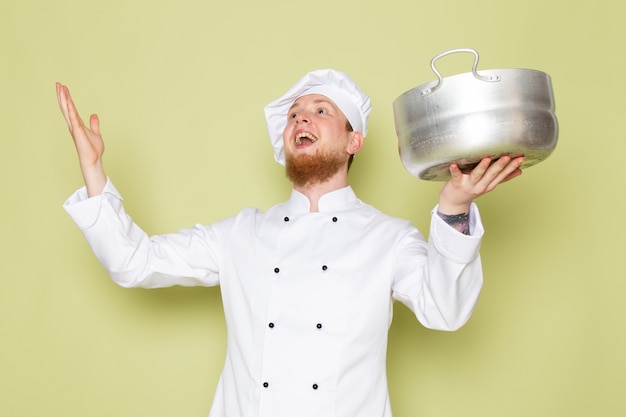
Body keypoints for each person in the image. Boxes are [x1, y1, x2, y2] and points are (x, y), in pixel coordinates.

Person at [56, 69, 523, 417]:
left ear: (353, 140)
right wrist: (93, 168)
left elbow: (445, 310)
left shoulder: (388, 238)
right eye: (295, 114)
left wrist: (454, 207)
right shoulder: (240, 234)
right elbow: (133, 262)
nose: (302, 118)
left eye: (321, 111)